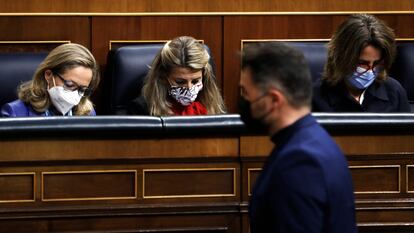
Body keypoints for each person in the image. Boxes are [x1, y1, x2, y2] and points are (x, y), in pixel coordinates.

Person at [239, 42, 357, 233]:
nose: (243, 101)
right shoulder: (316, 141)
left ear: (273, 100)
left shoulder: (300, 162)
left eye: (246, 93)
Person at [313, 14, 410, 112]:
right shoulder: (314, 97)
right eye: (362, 63)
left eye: (377, 63)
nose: (370, 71)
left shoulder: (394, 91)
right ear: (341, 58)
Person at [127, 36, 226, 116]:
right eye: (180, 82)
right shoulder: (140, 110)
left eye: (195, 81)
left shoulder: (211, 105)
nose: (189, 88)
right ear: (163, 77)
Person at [1, 43, 99, 117]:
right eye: (70, 85)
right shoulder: (14, 113)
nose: (75, 96)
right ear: (48, 75)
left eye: (82, 90)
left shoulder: (88, 113)